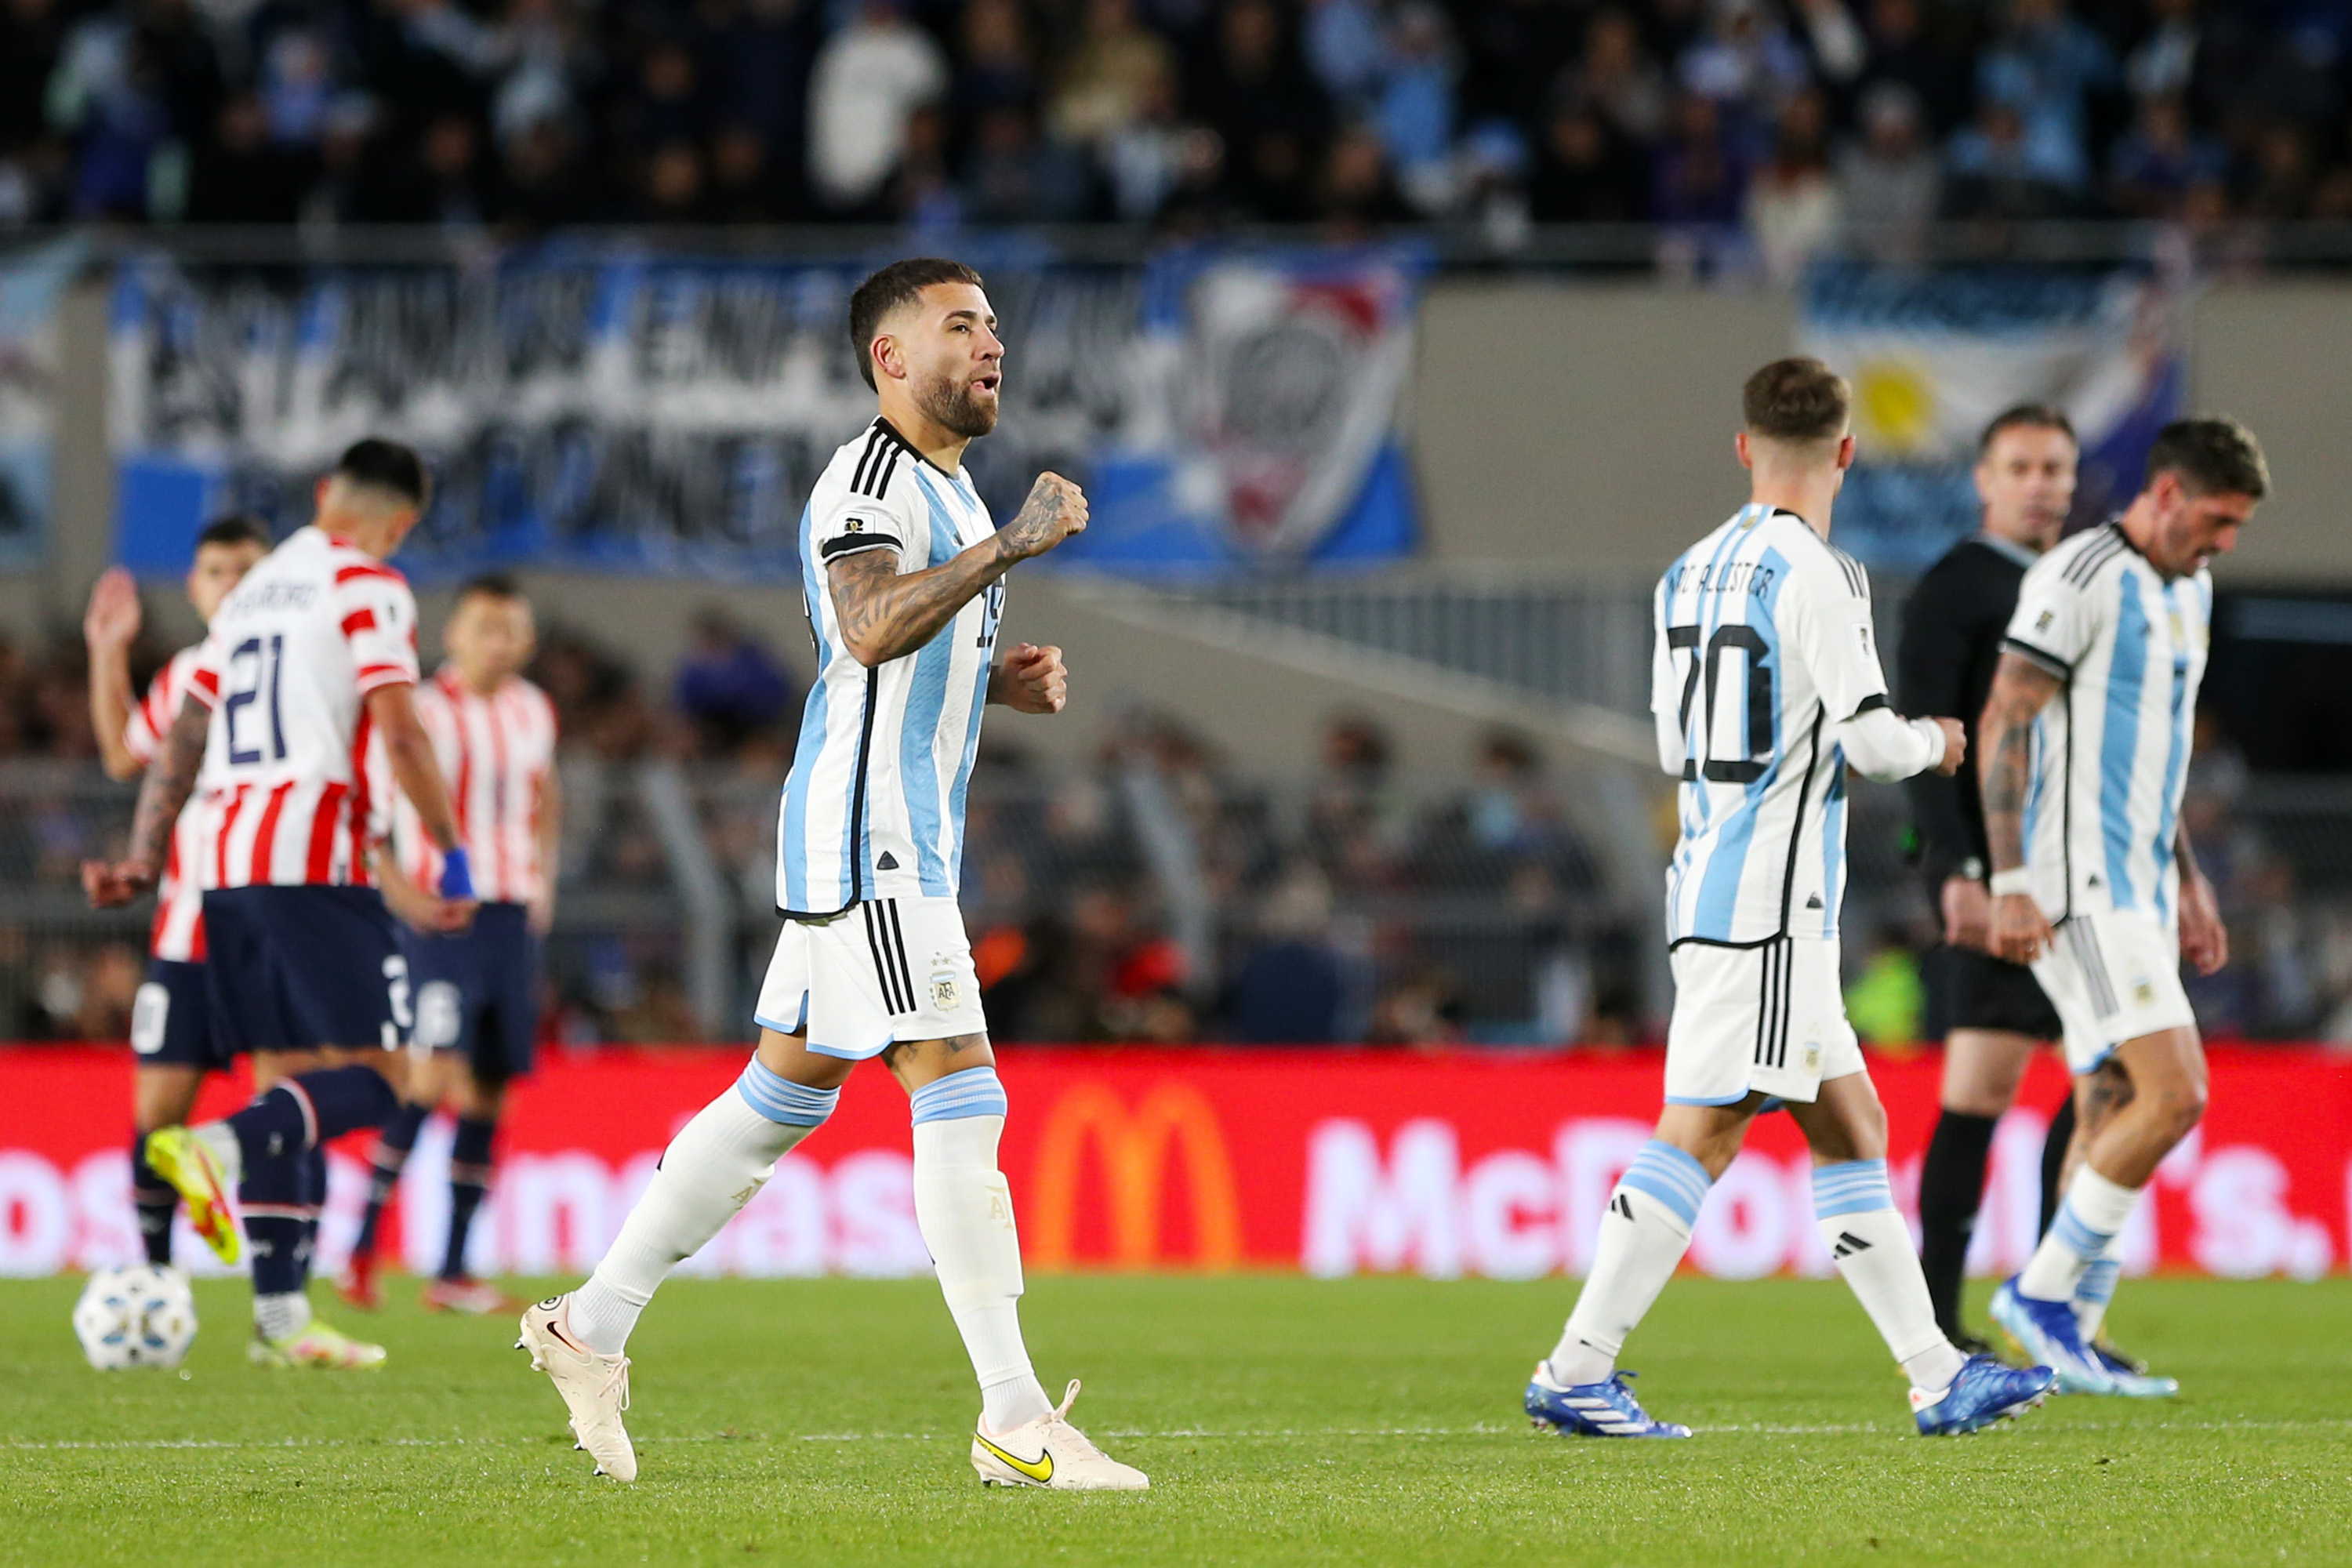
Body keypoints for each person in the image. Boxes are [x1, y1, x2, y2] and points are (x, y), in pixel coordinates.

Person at [517, 258, 1144, 1490]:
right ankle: (1014, 1414)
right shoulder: (868, 479)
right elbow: (864, 622)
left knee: (775, 1105)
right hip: (875, 847)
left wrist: (992, 677)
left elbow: (889, 659)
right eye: (961, 325)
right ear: (892, 358)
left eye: (995, 326)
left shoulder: (954, 497)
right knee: (963, 1092)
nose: (991, 344)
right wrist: (1019, 544)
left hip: (877, 841)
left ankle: (588, 1327)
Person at [1523, 358, 2054, 1441]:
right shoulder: (1822, 574)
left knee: (1852, 1124)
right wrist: (1938, 741)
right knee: (1706, 1130)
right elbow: (1867, 740)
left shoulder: (1687, 572)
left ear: (1743, 447)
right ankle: (1577, 1367)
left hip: (1717, 883)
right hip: (1768, 900)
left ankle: (1935, 1372)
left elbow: (1676, 746)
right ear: (1847, 453)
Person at [85, 440, 476, 1369]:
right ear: (403, 520)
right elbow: (399, 725)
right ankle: (217, 1149)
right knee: (386, 1077)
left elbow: (188, 725)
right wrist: (453, 851)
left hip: (223, 872)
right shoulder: (365, 584)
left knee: (295, 1077)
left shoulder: (257, 593)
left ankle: (278, 1325)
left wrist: (147, 852)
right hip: (313, 862)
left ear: (321, 494)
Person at [1981, 418, 2267, 1395]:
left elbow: (2156, 754)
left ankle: (2068, 1337)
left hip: (2141, 885)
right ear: (2170, 493)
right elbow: (2005, 718)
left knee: (2108, 1097)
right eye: (2219, 518)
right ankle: (2044, 1292)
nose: (2226, 539)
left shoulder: (2192, 587)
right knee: (2175, 1089)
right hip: (2079, 886)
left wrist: (2187, 874)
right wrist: (2011, 879)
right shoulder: (2080, 574)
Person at [1899, 406, 2100, 1356]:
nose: (2039, 483)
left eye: (2054, 467)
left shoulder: (2083, 580)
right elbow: (1927, 734)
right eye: (2020, 465)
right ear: (1984, 480)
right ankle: (1940, 1315)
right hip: (1999, 877)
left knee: (2113, 1077)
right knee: (1978, 1092)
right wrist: (1961, 867)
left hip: (2087, 880)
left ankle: (2056, 1300)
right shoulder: (1958, 587)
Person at [341, 574, 560, 1316]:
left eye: (512, 629)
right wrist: (402, 894)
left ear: (526, 640)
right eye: (485, 627)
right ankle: (363, 1248)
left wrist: (544, 881)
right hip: (441, 917)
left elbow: (544, 795)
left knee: (492, 1088)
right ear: (454, 635)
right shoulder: (423, 713)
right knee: (431, 1077)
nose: (500, 641)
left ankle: (453, 1272)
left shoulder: (534, 710)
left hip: (508, 917)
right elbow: (367, 807)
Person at [82, 516, 270, 1269]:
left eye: (248, 570)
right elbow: (124, 755)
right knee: (156, 1117)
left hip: (273, 922)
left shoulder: (299, 672)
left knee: (282, 1106)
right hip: (187, 931)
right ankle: (155, 1277)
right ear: (196, 589)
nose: (234, 584)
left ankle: (278, 1294)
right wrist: (108, 649)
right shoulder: (188, 672)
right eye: (219, 571)